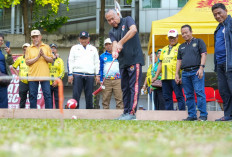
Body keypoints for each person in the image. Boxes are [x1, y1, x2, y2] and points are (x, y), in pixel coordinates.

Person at [105, 9, 145, 120]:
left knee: (134, 87)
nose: (112, 21)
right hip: (122, 63)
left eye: (112, 18)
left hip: (134, 60)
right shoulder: (112, 32)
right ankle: (126, 112)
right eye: (109, 20)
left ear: (118, 14)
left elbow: (133, 30)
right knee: (125, 88)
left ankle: (132, 113)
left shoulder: (128, 20)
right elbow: (114, 43)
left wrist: (121, 42)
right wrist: (114, 51)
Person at [175, 24, 208, 121]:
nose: (184, 35)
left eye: (186, 32)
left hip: (196, 71)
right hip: (185, 73)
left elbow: (203, 55)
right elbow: (179, 61)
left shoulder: (199, 41)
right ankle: (192, 115)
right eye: (182, 33)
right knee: (188, 95)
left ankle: (203, 115)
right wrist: (177, 73)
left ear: (191, 32)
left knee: (199, 92)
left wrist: (201, 68)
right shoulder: (181, 46)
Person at [152, 29, 185, 111]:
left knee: (179, 96)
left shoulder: (181, 47)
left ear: (177, 37)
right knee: (167, 98)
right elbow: (160, 63)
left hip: (175, 77)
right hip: (165, 78)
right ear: (168, 38)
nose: (172, 39)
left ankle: (182, 113)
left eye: (173, 37)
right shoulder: (164, 49)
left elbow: (183, 63)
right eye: (170, 37)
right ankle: (169, 115)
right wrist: (156, 77)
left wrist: (182, 76)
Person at [68, 31, 100, 109]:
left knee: (89, 95)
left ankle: (89, 114)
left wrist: (97, 74)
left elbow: (96, 62)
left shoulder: (93, 48)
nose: (83, 40)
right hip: (77, 74)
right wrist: (70, 74)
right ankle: (74, 112)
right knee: (76, 95)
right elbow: (70, 61)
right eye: (82, 38)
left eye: (85, 38)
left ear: (88, 38)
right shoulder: (74, 48)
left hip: (90, 75)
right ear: (79, 39)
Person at [212, 3, 232, 121]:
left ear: (226, 11)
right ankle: (228, 115)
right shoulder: (218, 28)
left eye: (219, 13)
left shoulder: (230, 24)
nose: (217, 16)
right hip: (220, 64)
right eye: (215, 15)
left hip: (230, 63)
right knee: (224, 91)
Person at [25, 30, 53, 109]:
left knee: (47, 95)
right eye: (33, 37)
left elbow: (51, 60)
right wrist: (37, 57)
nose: (35, 39)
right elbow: (27, 62)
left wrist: (43, 55)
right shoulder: (29, 48)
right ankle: (33, 115)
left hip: (44, 75)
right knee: (32, 96)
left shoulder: (46, 47)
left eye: (37, 36)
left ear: (41, 37)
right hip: (33, 76)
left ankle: (49, 114)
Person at [99, 38, 123, 109]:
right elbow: (100, 68)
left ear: (113, 45)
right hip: (106, 80)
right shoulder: (102, 56)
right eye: (106, 44)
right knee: (105, 99)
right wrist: (101, 80)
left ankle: (120, 115)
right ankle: (105, 116)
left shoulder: (119, 54)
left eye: (109, 44)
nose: (108, 46)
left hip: (118, 80)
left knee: (119, 99)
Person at [12, 43, 30, 108]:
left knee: (32, 98)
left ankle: (33, 114)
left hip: (32, 81)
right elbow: (13, 67)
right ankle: (21, 113)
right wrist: (18, 75)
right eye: (24, 50)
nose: (25, 51)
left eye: (27, 49)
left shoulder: (33, 59)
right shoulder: (20, 59)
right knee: (22, 98)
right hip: (23, 82)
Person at [49, 43, 65, 109]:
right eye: (51, 48)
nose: (53, 50)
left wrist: (57, 80)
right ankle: (48, 114)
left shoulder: (60, 60)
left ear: (56, 50)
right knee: (48, 100)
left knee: (57, 99)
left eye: (54, 48)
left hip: (57, 83)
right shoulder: (46, 60)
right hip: (48, 83)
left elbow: (62, 72)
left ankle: (58, 114)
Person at [0, 34, 14, 108]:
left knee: (3, 97)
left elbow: (10, 62)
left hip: (3, 78)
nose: (0, 41)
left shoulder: (4, 52)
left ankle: (3, 115)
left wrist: (9, 54)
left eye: (1, 40)